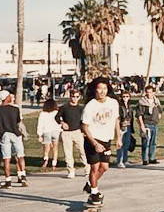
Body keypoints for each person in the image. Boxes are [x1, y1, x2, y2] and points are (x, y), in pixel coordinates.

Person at [81, 77, 121, 205]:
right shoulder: (90, 106)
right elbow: (84, 127)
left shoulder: (113, 103)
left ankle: (90, 184)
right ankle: (94, 193)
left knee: (104, 167)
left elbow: (116, 120)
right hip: (93, 139)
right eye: (99, 89)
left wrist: (118, 137)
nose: (102, 91)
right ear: (95, 90)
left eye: (104, 88)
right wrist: (95, 143)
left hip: (106, 139)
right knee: (95, 167)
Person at [0, 91, 28, 188]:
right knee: (20, 156)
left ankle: (8, 180)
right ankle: (23, 176)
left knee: (6, 158)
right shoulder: (15, 109)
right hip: (15, 134)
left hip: (4, 134)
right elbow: (18, 123)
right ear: (5, 98)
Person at [56, 89, 89, 179]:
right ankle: (71, 170)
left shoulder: (81, 109)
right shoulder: (64, 107)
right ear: (70, 96)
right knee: (68, 153)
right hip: (66, 133)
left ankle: (87, 169)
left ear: (79, 97)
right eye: (73, 96)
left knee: (83, 151)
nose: (75, 98)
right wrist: (62, 123)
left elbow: (84, 121)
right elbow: (57, 117)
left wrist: (84, 132)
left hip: (77, 132)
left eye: (77, 97)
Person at [136, 85, 163, 165]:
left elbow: (160, 110)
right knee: (145, 142)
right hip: (146, 124)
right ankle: (145, 159)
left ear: (153, 93)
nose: (148, 94)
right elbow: (139, 115)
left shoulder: (156, 101)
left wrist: (159, 116)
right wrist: (142, 125)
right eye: (147, 92)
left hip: (155, 124)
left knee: (153, 142)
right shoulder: (142, 102)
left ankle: (152, 158)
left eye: (150, 92)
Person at [37, 99, 62, 172]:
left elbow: (40, 124)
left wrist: (39, 134)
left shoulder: (43, 114)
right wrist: (61, 131)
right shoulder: (56, 113)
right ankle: (54, 163)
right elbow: (59, 122)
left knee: (46, 148)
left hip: (46, 131)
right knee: (55, 148)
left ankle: (45, 160)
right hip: (55, 131)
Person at [116, 90, 135, 168]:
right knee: (120, 143)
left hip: (129, 126)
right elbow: (118, 117)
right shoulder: (120, 106)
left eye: (127, 96)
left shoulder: (129, 106)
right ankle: (119, 161)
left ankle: (125, 160)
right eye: (123, 96)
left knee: (127, 143)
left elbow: (131, 117)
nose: (125, 98)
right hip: (122, 126)